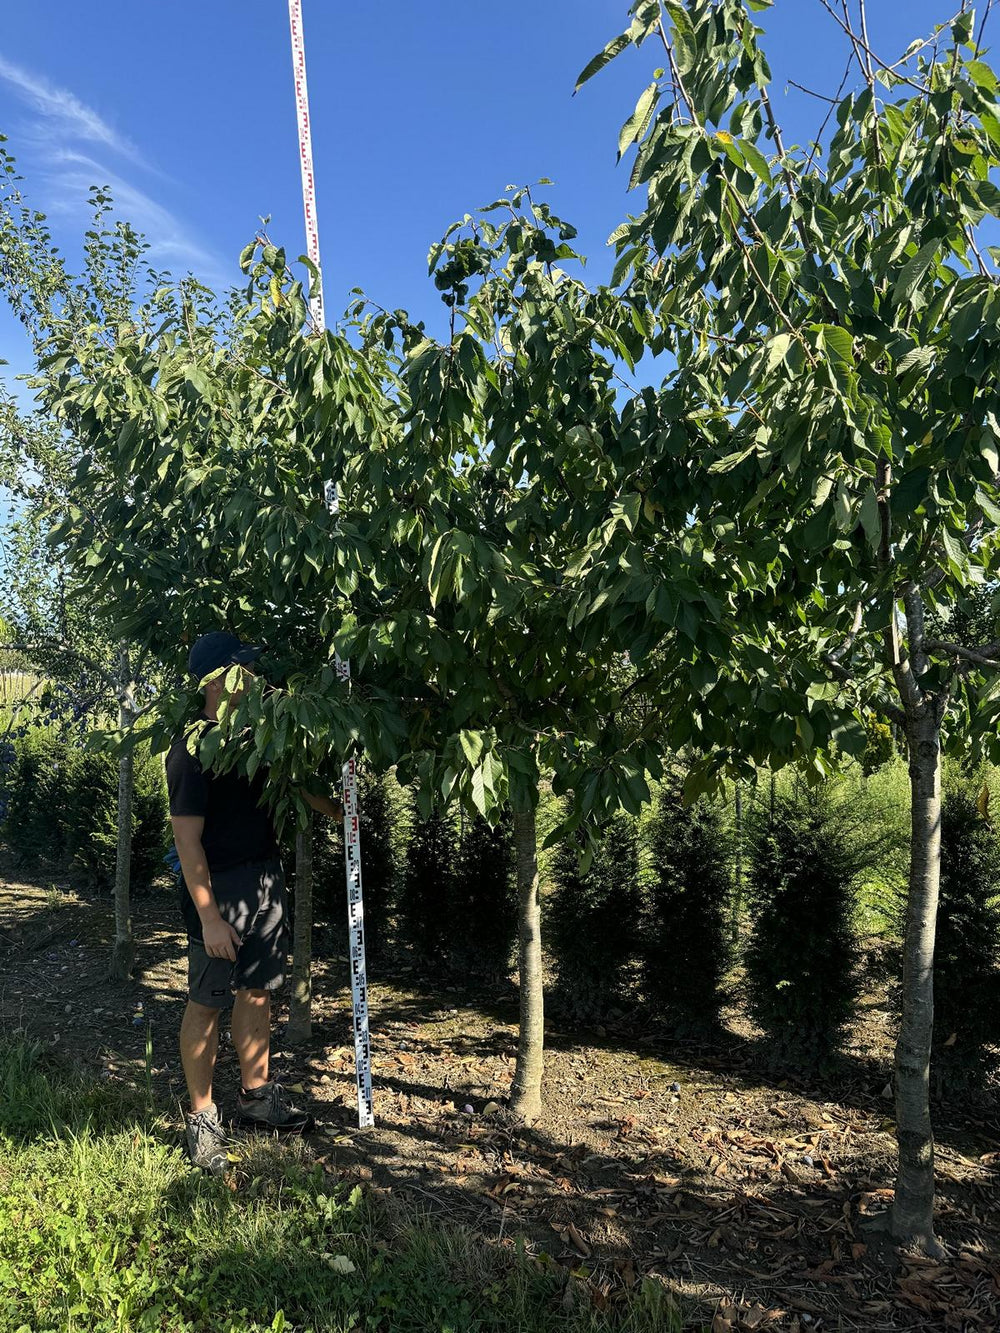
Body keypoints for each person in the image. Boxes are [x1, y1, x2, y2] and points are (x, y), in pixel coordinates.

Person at [166, 630, 342, 1172]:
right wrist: (210, 916)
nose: (257, 678)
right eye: (245, 668)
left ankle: (256, 1097)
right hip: (219, 890)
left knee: (259, 992)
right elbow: (186, 839)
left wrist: (337, 808)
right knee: (208, 1001)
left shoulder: (260, 736)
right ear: (219, 678)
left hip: (265, 878)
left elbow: (296, 785)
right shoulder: (192, 748)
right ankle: (201, 1119)